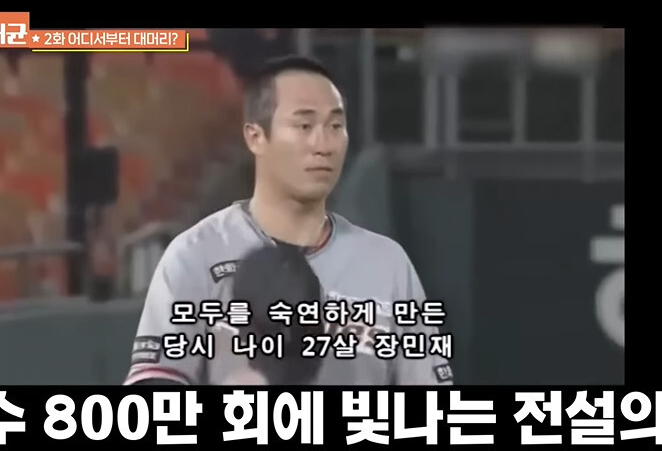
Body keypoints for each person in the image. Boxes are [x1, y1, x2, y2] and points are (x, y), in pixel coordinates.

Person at [123, 55, 454, 386]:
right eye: (304, 126)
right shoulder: (196, 254)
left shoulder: (387, 263)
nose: (323, 145)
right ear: (256, 136)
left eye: (335, 126)